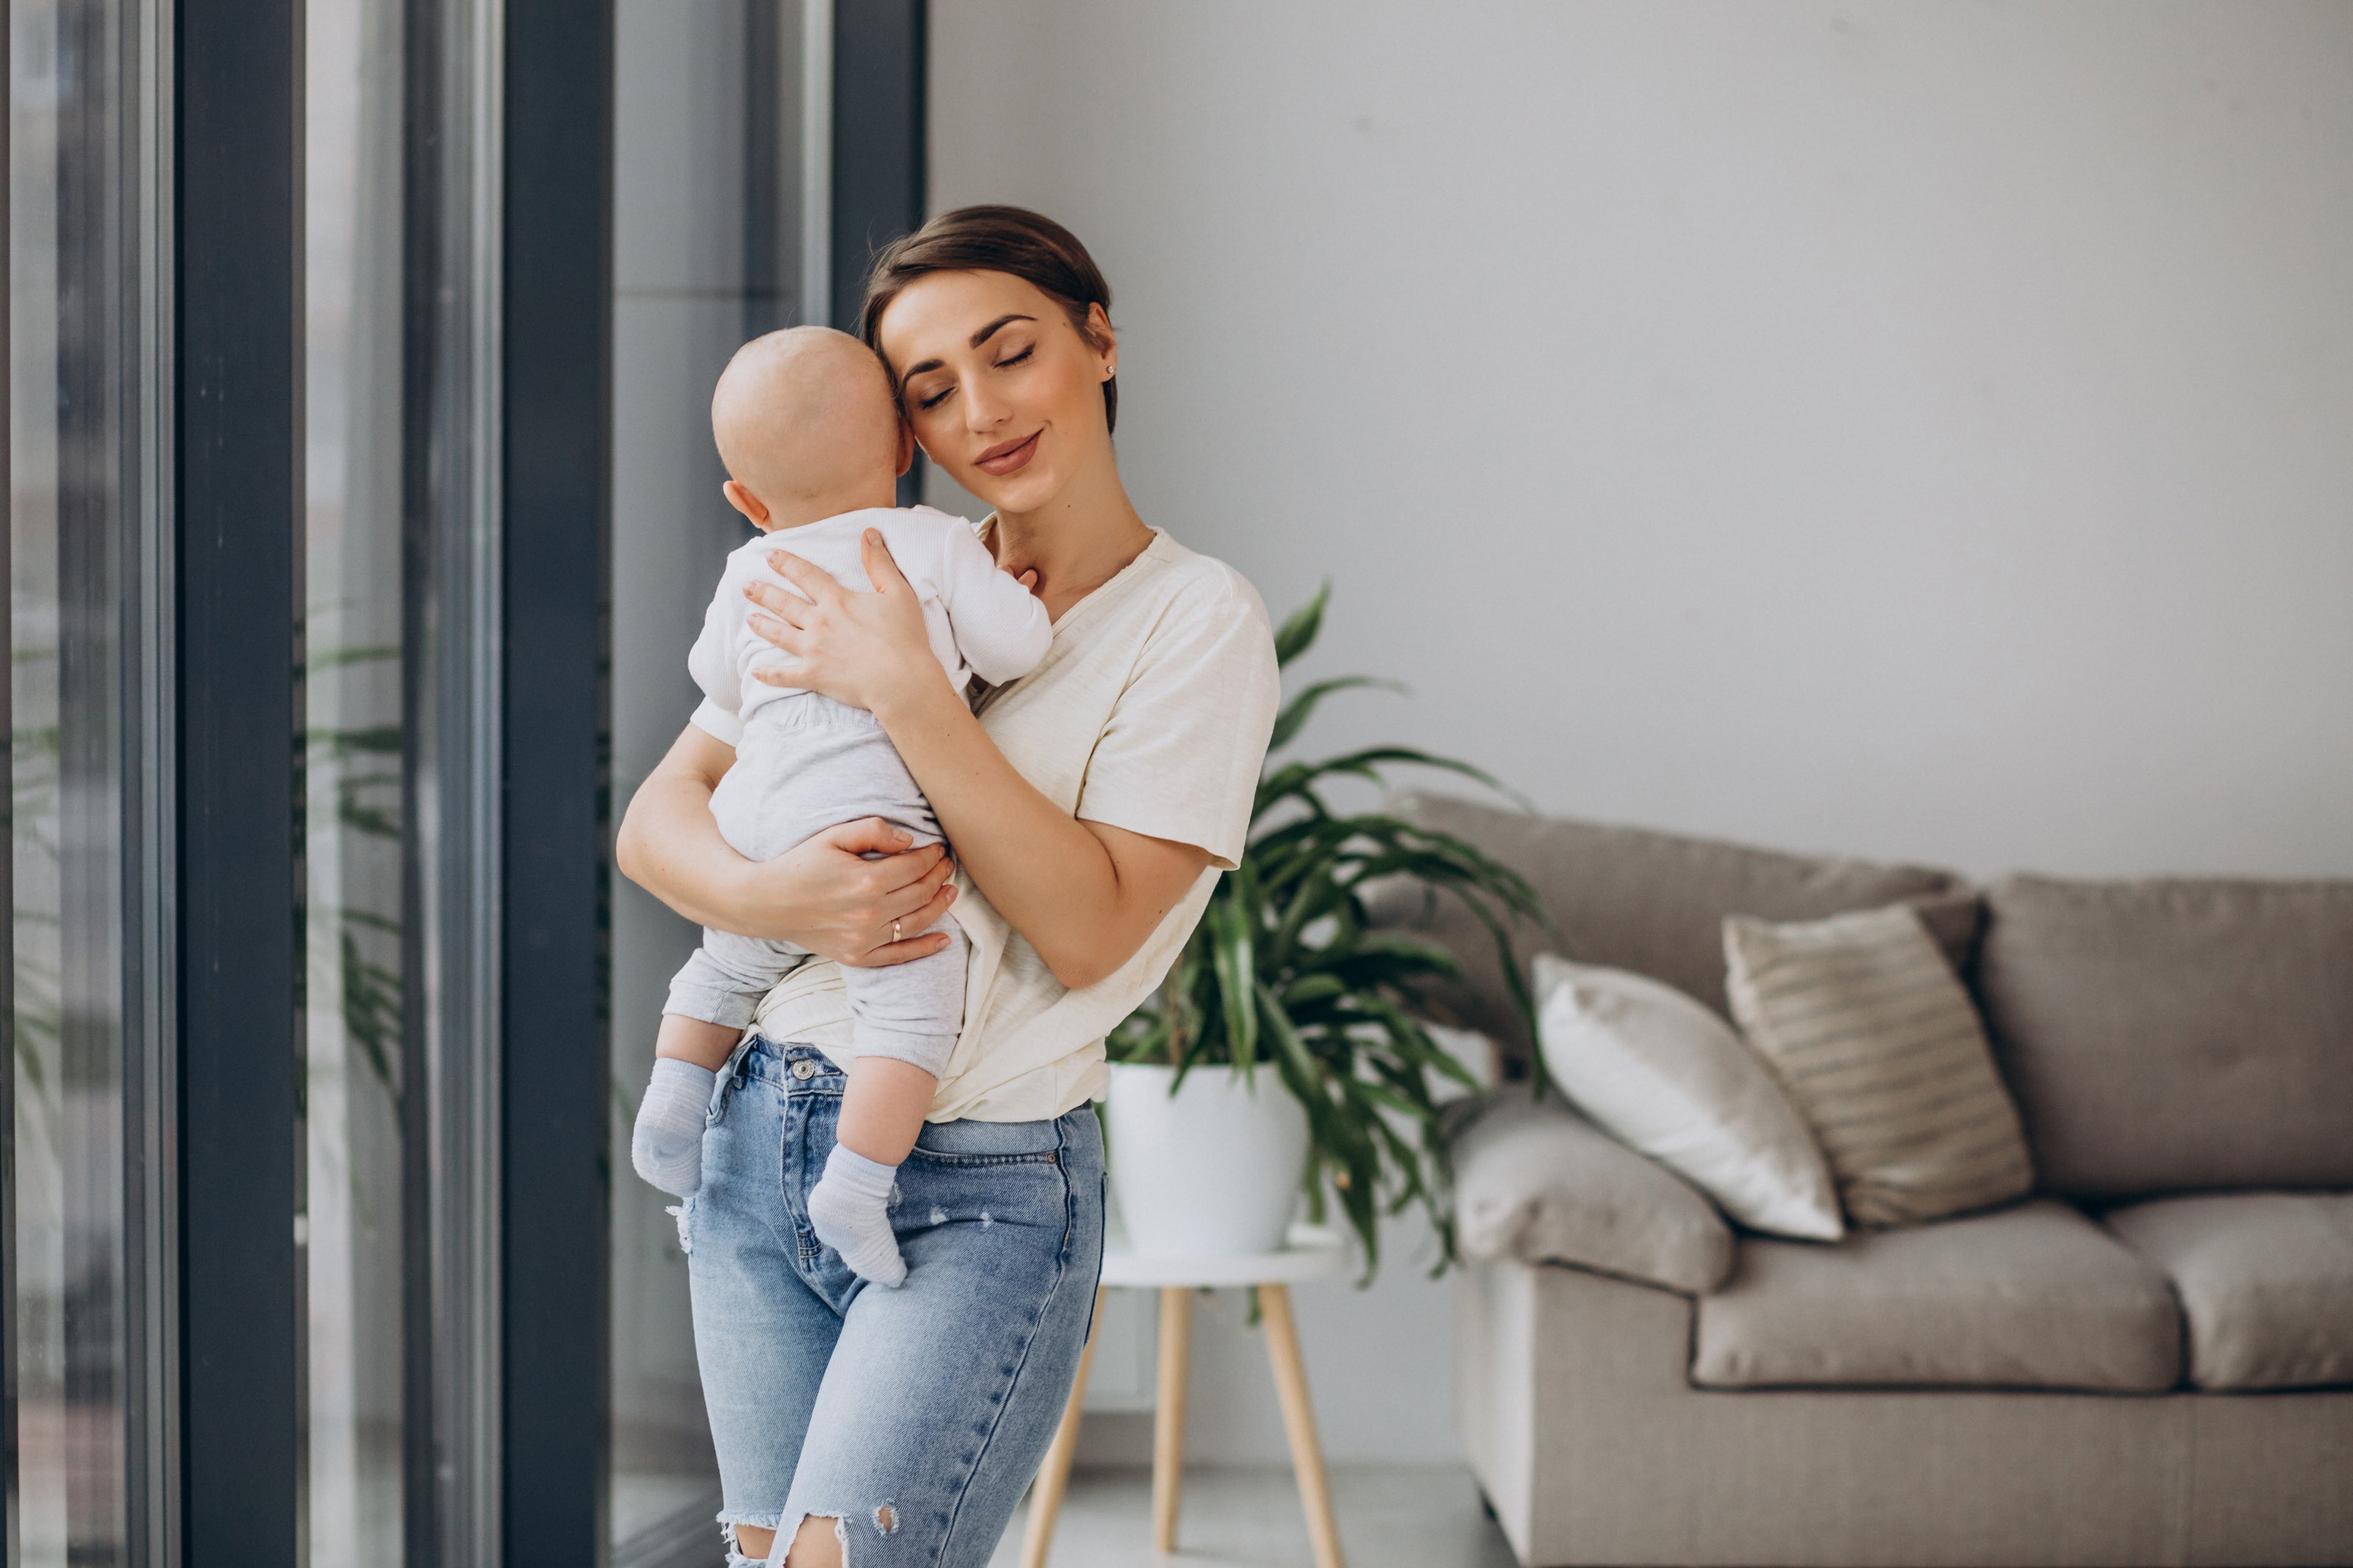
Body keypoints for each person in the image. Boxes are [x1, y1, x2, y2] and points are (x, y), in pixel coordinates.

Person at [615, 204, 1280, 1568]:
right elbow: (656, 822)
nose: (981, 409)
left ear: (1098, 339)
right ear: (905, 429)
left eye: (1012, 350)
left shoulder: (1194, 620)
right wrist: (785, 900)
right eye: (932, 387)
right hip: (760, 1142)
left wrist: (913, 696)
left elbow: (1095, 927)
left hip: (982, 1179)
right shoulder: (870, 567)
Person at [629, 325, 1053, 1289]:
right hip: (869, 829)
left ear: (745, 498)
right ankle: (856, 1185)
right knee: (914, 998)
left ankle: (671, 1100)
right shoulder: (936, 543)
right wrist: (1012, 597)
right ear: (906, 446)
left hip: (757, 820)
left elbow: (716, 675)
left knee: (722, 964)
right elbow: (1019, 650)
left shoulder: (750, 568)